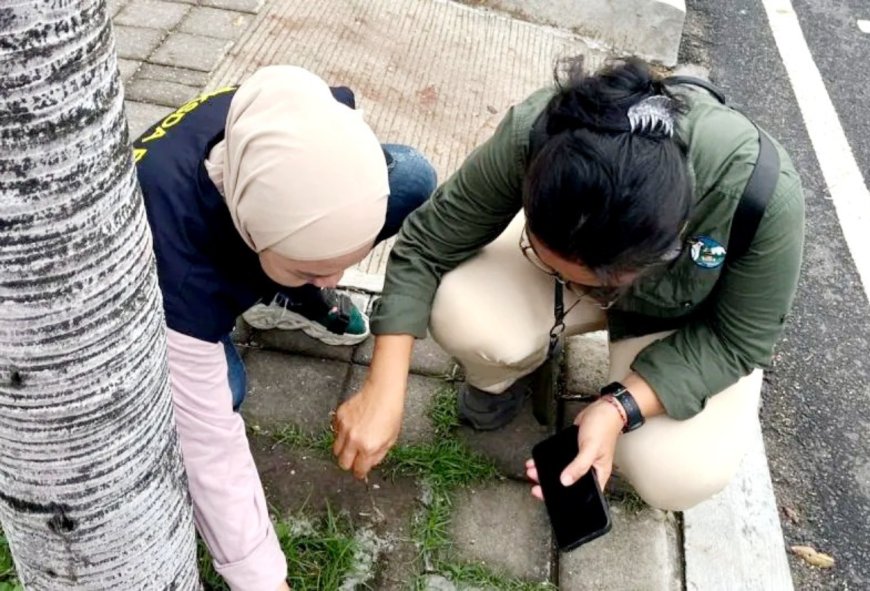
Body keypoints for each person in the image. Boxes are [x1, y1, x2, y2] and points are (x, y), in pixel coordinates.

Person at [332, 57, 804, 513]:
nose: (593, 289)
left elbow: (739, 340)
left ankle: (616, 412)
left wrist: (620, 407)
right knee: (464, 314)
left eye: (604, 279)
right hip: (587, 265)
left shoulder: (761, 193)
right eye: (546, 253)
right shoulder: (538, 130)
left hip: (675, 316)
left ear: (668, 246)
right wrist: (385, 385)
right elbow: (428, 241)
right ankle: (509, 373)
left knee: (677, 471)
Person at [133, 65, 436, 591]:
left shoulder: (295, 109)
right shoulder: (177, 277)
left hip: (249, 228)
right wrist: (263, 579)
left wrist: (307, 262)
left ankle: (283, 285)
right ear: (249, 234)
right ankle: (269, 289)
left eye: (344, 263)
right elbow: (213, 454)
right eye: (314, 271)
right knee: (221, 392)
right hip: (165, 294)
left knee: (409, 175)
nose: (338, 280)